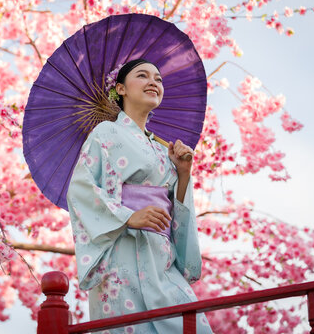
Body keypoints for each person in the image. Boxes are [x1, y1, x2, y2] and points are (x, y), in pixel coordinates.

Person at [67, 59, 213, 333]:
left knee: (193, 326)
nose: (153, 82)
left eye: (158, 79)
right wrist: (128, 216)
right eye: (143, 76)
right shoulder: (106, 132)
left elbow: (174, 210)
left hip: (161, 258)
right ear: (120, 89)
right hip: (123, 255)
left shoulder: (161, 149)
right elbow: (80, 188)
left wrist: (182, 174)